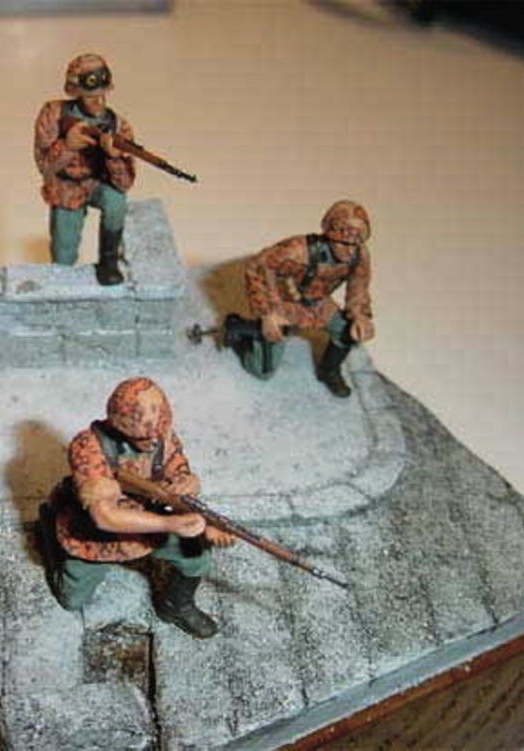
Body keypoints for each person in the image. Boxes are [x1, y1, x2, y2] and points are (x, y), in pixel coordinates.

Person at [37, 377, 235, 638]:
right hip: (95, 538)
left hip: (148, 525)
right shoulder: (88, 447)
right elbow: (105, 517)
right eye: (144, 437)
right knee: (71, 599)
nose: (154, 441)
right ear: (120, 426)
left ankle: (175, 606)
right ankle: (49, 527)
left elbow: (178, 474)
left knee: (197, 559)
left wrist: (192, 493)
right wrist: (170, 523)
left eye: (158, 433)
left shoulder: (161, 434)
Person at [227, 200, 374, 397]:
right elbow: (257, 267)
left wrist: (360, 315)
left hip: (319, 304)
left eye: (355, 244)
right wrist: (268, 313)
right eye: (344, 243)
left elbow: (359, 286)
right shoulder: (297, 250)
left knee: (347, 331)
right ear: (330, 236)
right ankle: (239, 331)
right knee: (263, 371)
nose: (350, 250)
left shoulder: (358, 255)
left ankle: (329, 370)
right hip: (284, 303)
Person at [33, 53, 136, 286]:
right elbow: (44, 166)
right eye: (90, 96)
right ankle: (62, 283)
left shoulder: (119, 125)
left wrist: (114, 157)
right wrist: (67, 146)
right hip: (66, 188)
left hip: (98, 182)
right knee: (64, 250)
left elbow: (125, 184)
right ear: (76, 93)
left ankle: (109, 262)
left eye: (103, 94)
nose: (99, 102)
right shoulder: (54, 114)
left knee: (117, 203)